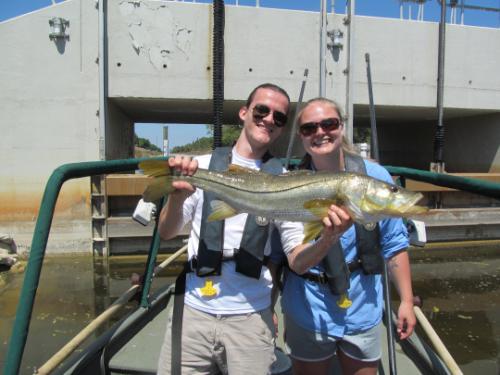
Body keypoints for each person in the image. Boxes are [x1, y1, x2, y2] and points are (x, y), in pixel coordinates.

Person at [156, 83, 305, 375]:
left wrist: (328, 236)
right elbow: (167, 232)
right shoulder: (201, 166)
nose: (269, 120)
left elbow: (296, 253)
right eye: (262, 110)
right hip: (194, 311)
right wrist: (176, 197)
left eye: (279, 117)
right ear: (244, 112)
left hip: (250, 316)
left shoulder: (285, 181)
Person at [274, 97, 416, 375]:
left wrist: (407, 301)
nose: (320, 132)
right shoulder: (289, 184)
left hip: (363, 305)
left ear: (341, 126)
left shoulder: (374, 177)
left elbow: (394, 244)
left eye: (329, 123)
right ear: (301, 137)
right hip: (308, 308)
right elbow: (285, 255)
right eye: (309, 128)